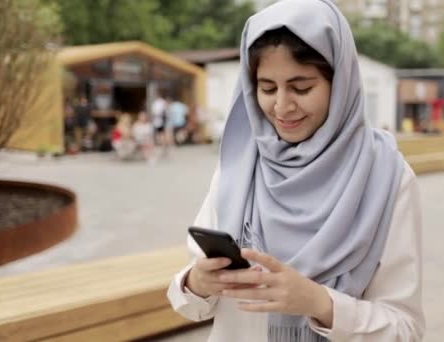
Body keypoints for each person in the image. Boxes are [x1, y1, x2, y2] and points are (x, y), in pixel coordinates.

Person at [167, 1, 424, 341]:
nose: (282, 106)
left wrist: (319, 302)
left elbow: (406, 329)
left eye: (302, 88)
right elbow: (192, 304)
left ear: (340, 82)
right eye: (267, 88)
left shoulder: (387, 177)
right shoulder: (241, 166)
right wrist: (196, 283)